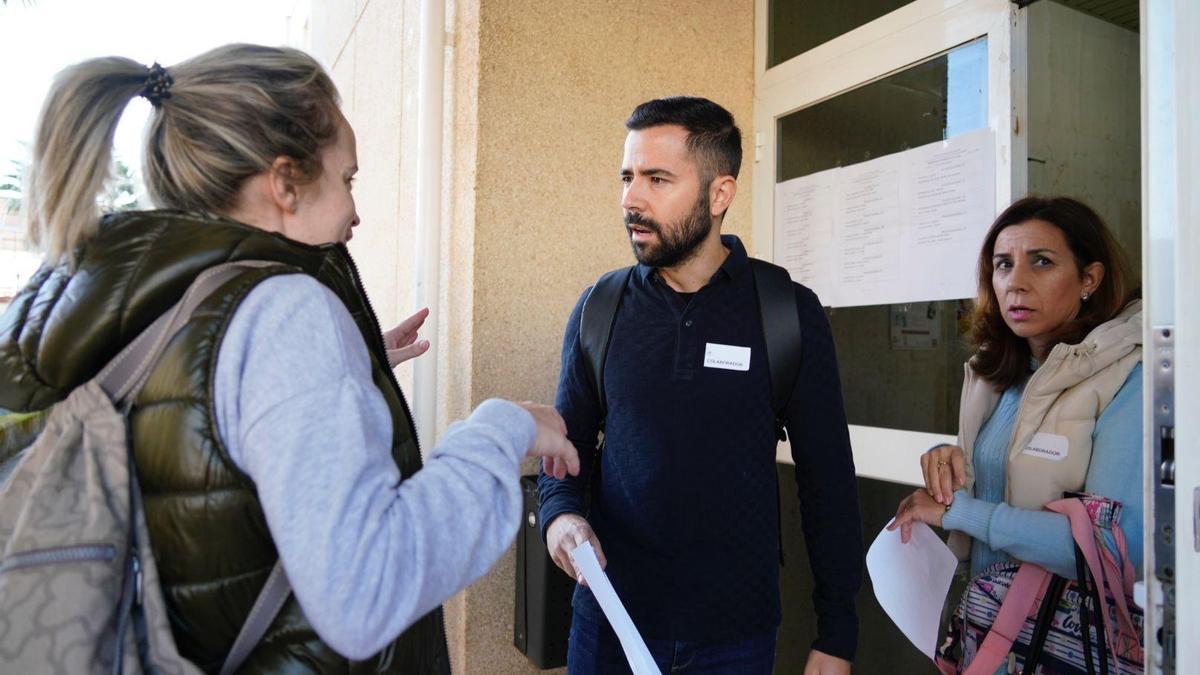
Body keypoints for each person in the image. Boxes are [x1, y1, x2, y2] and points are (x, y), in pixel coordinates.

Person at [0, 44, 579, 673]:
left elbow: (193, 430)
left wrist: (339, 377)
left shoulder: (104, 285)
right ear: (284, 181)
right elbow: (367, 590)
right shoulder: (282, 313)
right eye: (347, 178)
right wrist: (498, 428)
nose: (356, 209)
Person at [537, 96, 863, 675]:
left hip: (733, 641)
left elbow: (828, 484)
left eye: (657, 179)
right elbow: (565, 454)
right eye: (627, 177)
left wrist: (837, 633)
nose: (631, 199)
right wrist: (560, 517)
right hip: (609, 625)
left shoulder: (786, 312)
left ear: (720, 195)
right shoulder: (600, 308)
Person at [888, 196, 1143, 657]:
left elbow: (1110, 550)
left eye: (1041, 262)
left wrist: (958, 514)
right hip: (989, 630)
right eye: (1003, 265)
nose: (1016, 283)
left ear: (1090, 278)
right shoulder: (998, 374)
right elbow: (1008, 473)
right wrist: (954, 466)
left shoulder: (1127, 377)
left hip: (1065, 644)